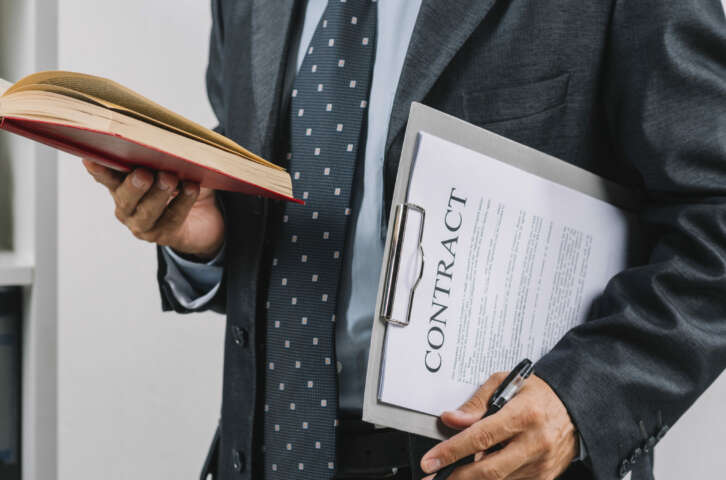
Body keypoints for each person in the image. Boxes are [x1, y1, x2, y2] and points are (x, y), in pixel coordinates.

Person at [83, 0, 726, 478]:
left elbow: (713, 219)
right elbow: (275, 170)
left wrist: (579, 403)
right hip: (264, 449)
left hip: (487, 458)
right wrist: (208, 243)